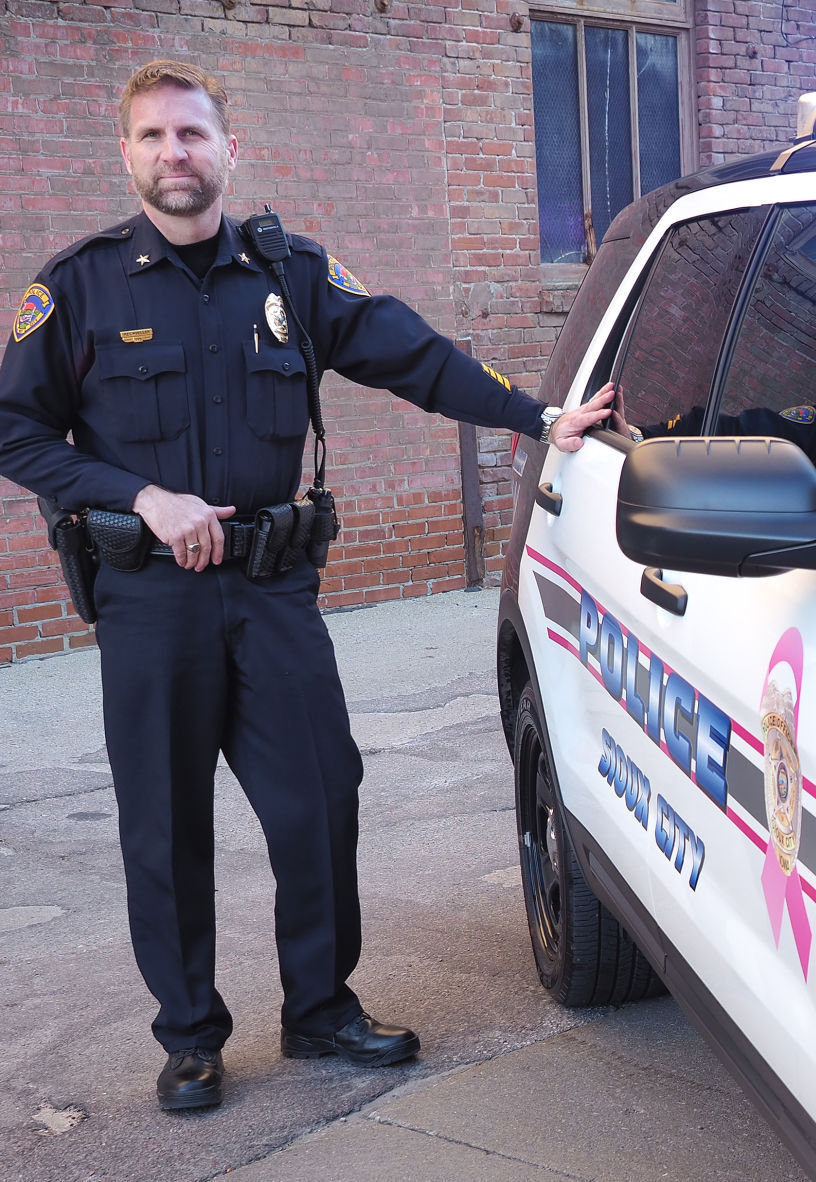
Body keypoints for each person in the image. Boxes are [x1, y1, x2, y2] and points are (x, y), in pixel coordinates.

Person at [0, 60, 615, 1112]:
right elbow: (14, 426)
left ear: (227, 149)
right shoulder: (79, 287)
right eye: (151, 138)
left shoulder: (289, 274)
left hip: (273, 590)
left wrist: (538, 415)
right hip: (150, 603)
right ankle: (191, 1037)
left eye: (191, 135)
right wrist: (141, 495)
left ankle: (320, 1008)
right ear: (128, 155)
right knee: (165, 819)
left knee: (322, 796)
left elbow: (410, 355)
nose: (174, 154)